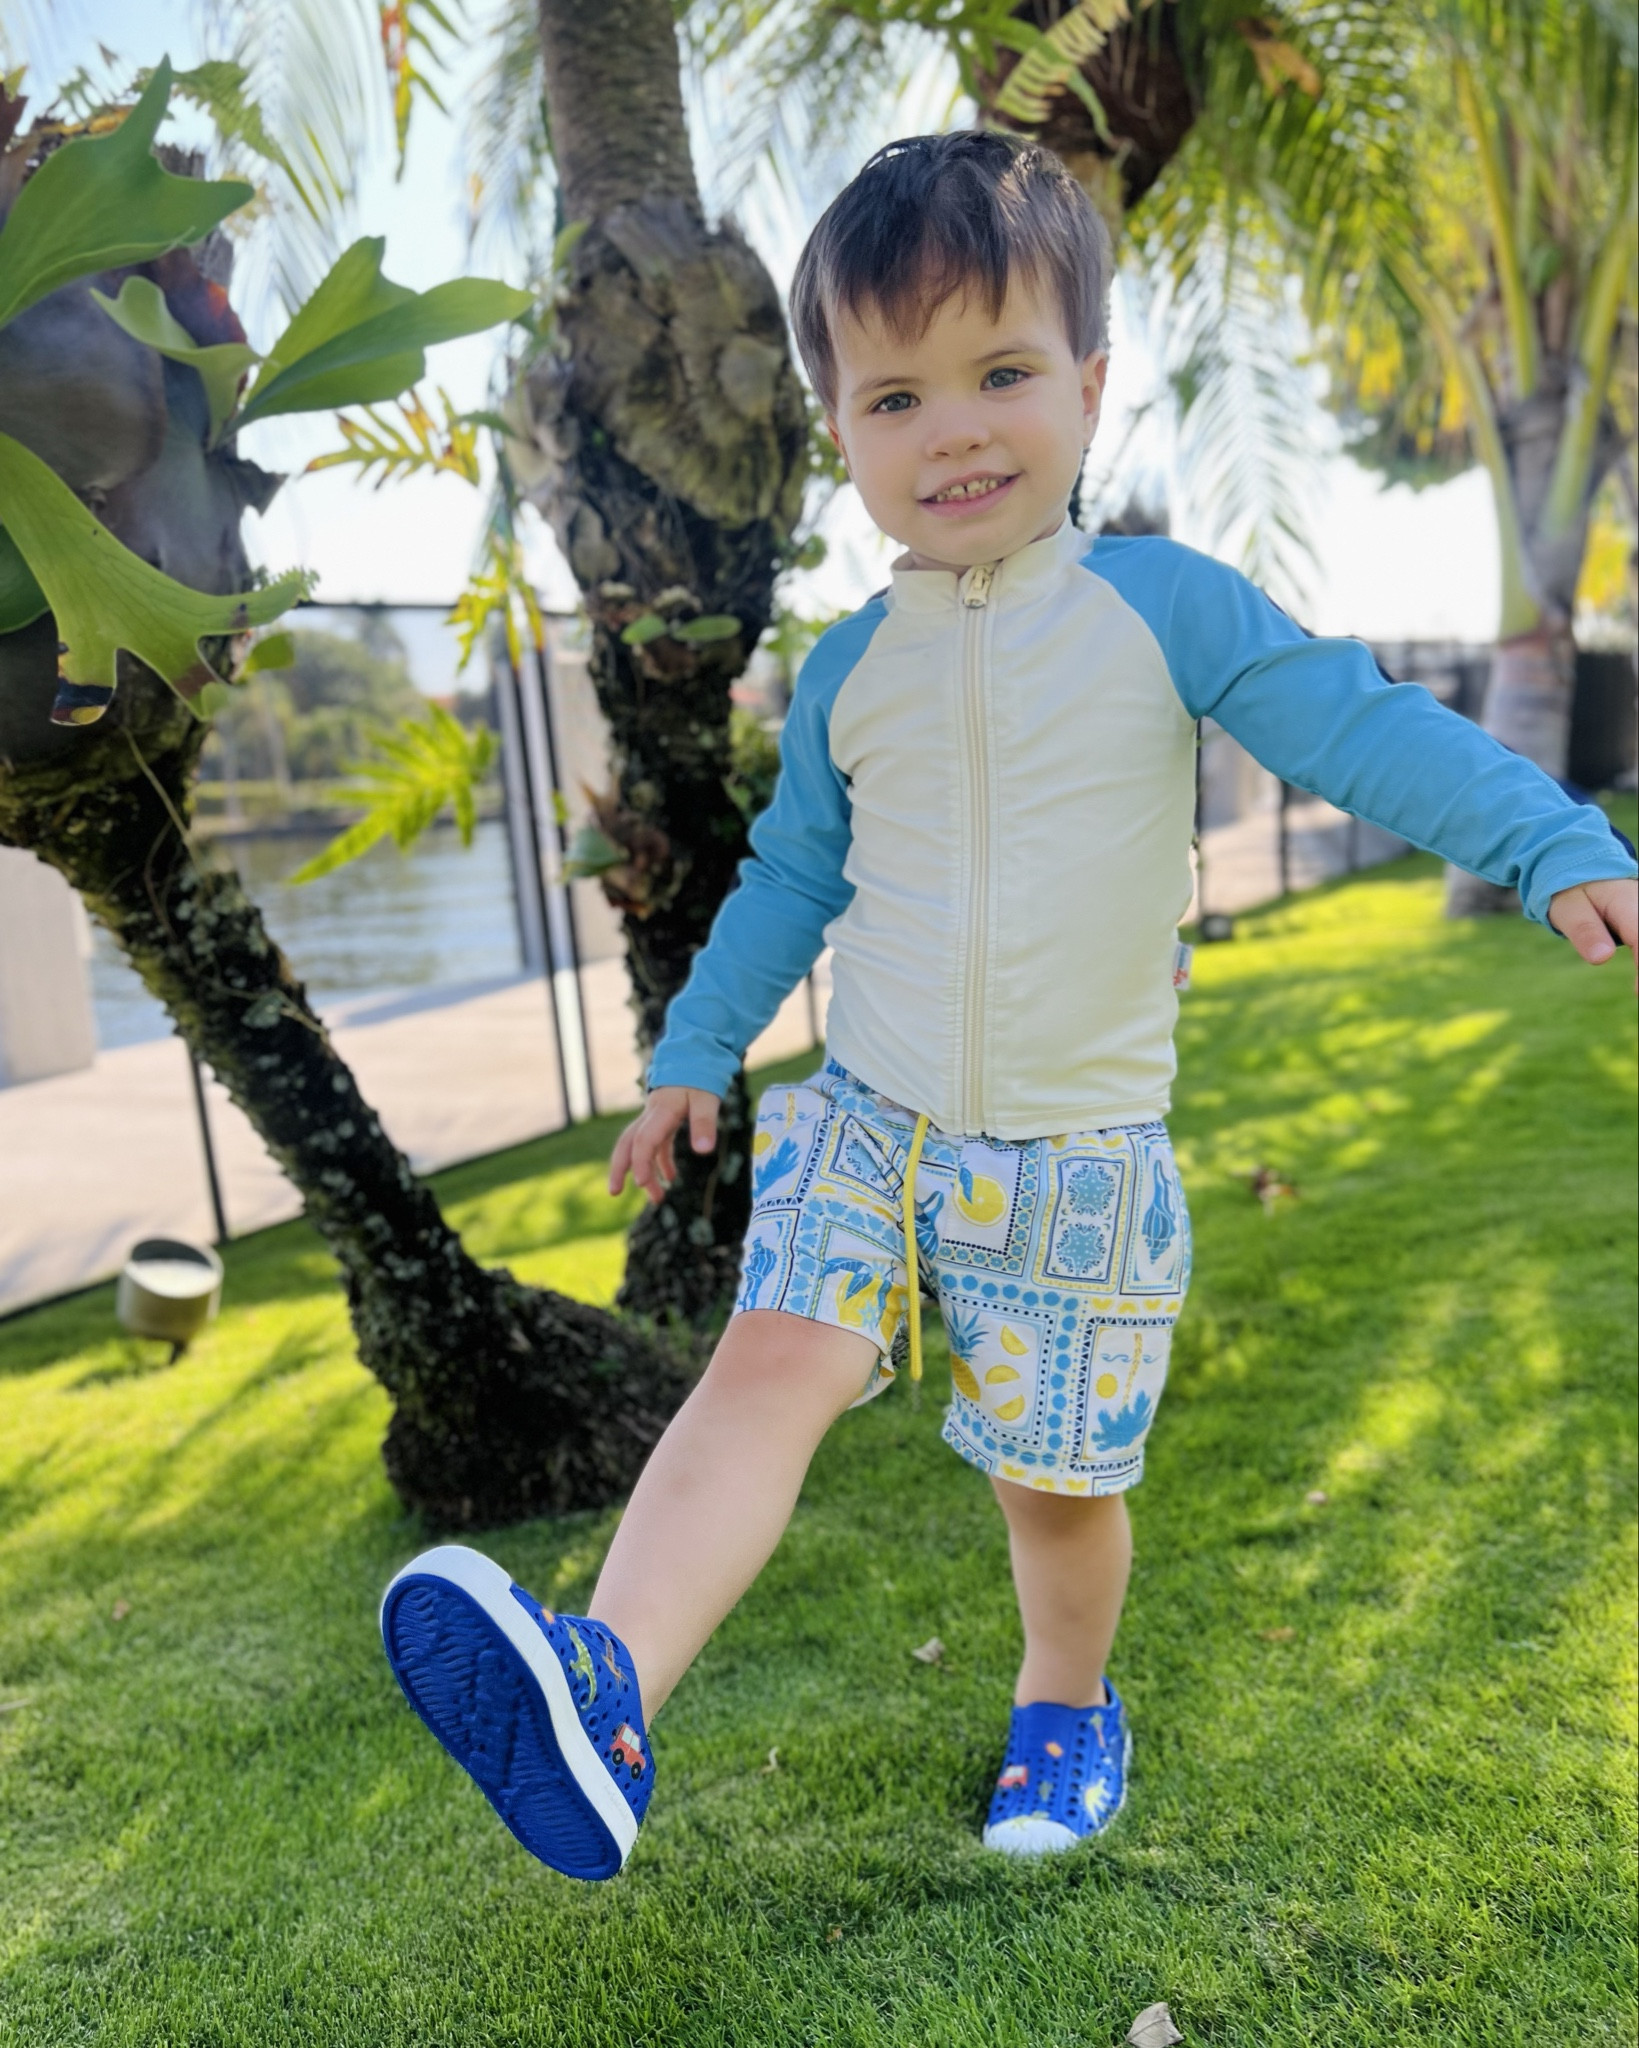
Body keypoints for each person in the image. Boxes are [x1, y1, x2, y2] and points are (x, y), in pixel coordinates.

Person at [378, 132, 1639, 1882]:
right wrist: (689, 1058)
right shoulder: (849, 669)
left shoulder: (1163, 607)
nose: (953, 428)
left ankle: (1069, 1703)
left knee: (1055, 1493)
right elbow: (787, 886)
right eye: (894, 399)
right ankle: (607, 1692)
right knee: (766, 1365)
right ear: (842, 434)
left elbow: (1360, 730)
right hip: (871, 1113)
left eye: (999, 374)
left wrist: (1548, 836)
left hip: (1073, 1153)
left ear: (1091, 385)